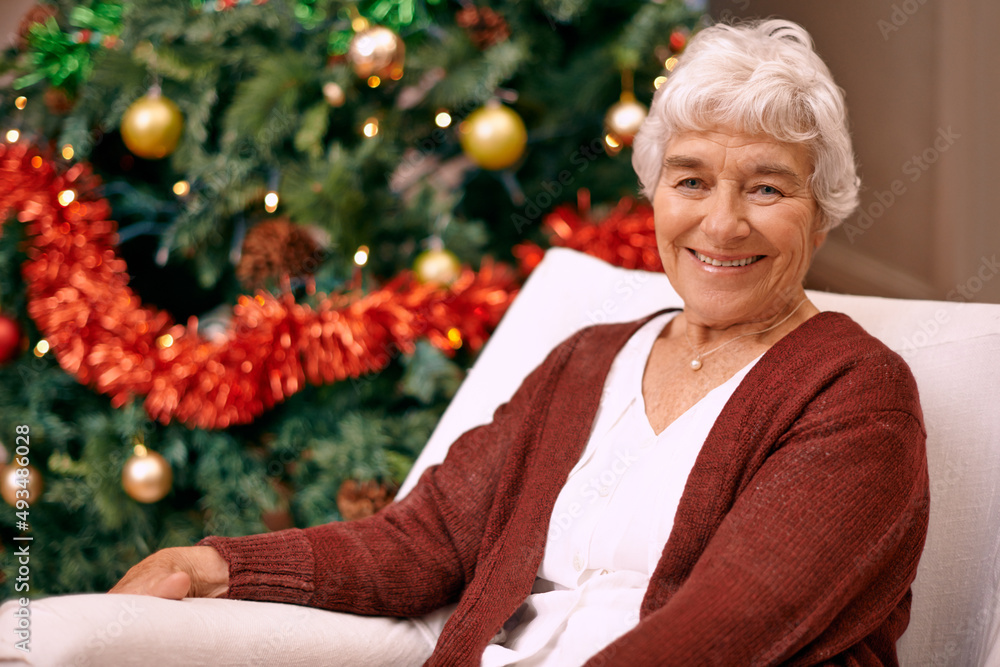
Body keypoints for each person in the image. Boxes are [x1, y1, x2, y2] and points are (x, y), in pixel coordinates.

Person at [0, 18, 928, 666]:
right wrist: (219, 564)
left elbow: (727, 631)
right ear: (655, 193)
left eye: (766, 188)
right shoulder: (588, 360)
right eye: (691, 180)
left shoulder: (853, 393)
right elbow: (426, 537)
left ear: (823, 208)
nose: (720, 224)